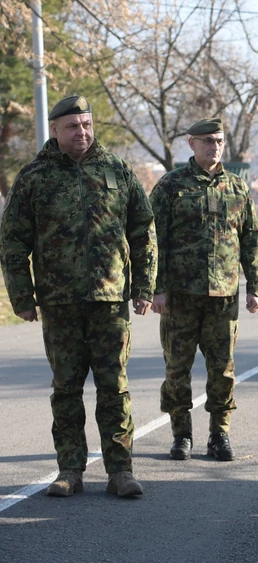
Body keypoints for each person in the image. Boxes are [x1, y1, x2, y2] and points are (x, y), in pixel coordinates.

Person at [0, 95, 156, 498]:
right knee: (67, 389)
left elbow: (143, 229)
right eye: (72, 126)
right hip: (59, 302)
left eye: (86, 124)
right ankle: (70, 469)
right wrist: (22, 296)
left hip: (110, 301)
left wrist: (144, 287)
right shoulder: (34, 177)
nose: (81, 132)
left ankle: (121, 471)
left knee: (114, 387)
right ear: (55, 130)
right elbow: (13, 241)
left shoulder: (117, 170)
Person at [149, 118, 258, 462]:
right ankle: (181, 434)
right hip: (180, 298)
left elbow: (251, 239)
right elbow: (154, 240)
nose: (214, 147)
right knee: (177, 369)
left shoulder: (237, 188)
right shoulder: (171, 185)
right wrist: (157, 288)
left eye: (219, 141)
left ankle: (219, 433)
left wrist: (254, 286)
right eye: (207, 141)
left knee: (223, 370)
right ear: (192, 144)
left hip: (223, 298)